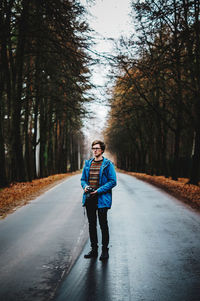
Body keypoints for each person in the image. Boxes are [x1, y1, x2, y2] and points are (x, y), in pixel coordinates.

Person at [81, 140, 117, 260]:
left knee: (103, 225)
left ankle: (105, 250)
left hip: (102, 199)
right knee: (92, 225)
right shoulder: (88, 163)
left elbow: (113, 181)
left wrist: (99, 191)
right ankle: (94, 250)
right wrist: (85, 186)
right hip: (89, 198)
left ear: (102, 150)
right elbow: (83, 179)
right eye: (93, 148)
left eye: (97, 148)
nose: (94, 150)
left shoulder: (107, 164)